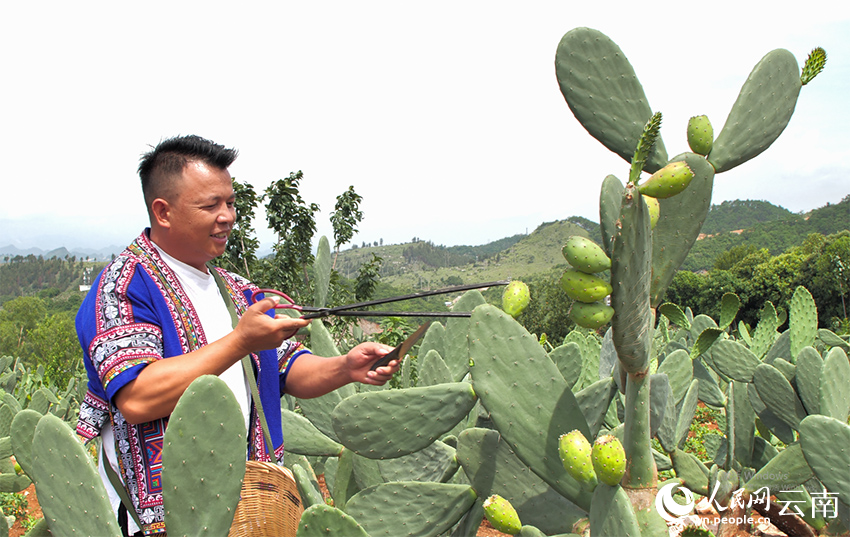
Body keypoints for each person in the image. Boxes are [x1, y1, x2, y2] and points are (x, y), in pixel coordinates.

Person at [75, 134, 399, 536]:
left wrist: (346, 367)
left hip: (246, 506)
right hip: (161, 517)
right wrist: (240, 341)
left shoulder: (239, 291)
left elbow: (286, 368)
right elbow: (138, 398)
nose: (227, 216)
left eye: (230, 202)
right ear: (163, 211)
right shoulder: (124, 285)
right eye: (210, 205)